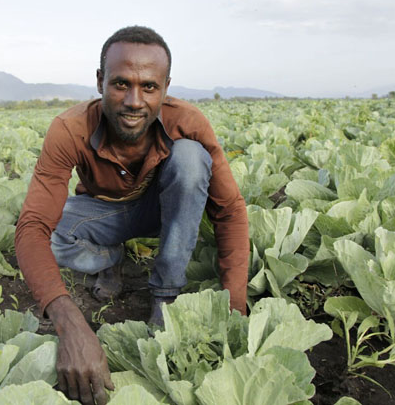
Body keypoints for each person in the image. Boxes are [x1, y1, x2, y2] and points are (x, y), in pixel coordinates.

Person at [14, 26, 249, 405]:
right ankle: (112, 257)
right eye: (121, 84)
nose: (134, 101)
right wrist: (68, 321)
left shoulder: (187, 121)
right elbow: (32, 227)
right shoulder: (69, 129)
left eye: (149, 87)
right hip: (105, 210)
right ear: (100, 81)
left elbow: (231, 210)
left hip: (164, 209)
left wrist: (234, 306)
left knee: (190, 160)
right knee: (52, 233)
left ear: (166, 87)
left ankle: (165, 296)